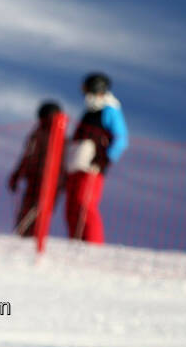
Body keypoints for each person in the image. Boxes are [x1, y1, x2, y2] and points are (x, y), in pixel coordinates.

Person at [64, 72, 128, 243]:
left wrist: (104, 159)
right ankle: (75, 242)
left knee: (84, 204)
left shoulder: (110, 110)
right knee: (71, 207)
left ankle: (92, 244)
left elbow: (121, 138)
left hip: (92, 167)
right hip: (75, 165)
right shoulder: (89, 111)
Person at [8, 101, 64, 236]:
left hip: (50, 182)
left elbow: (62, 164)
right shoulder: (37, 134)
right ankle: (24, 235)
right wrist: (17, 174)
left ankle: (35, 237)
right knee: (29, 209)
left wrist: (59, 182)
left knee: (40, 211)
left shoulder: (59, 137)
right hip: (34, 179)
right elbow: (27, 156)